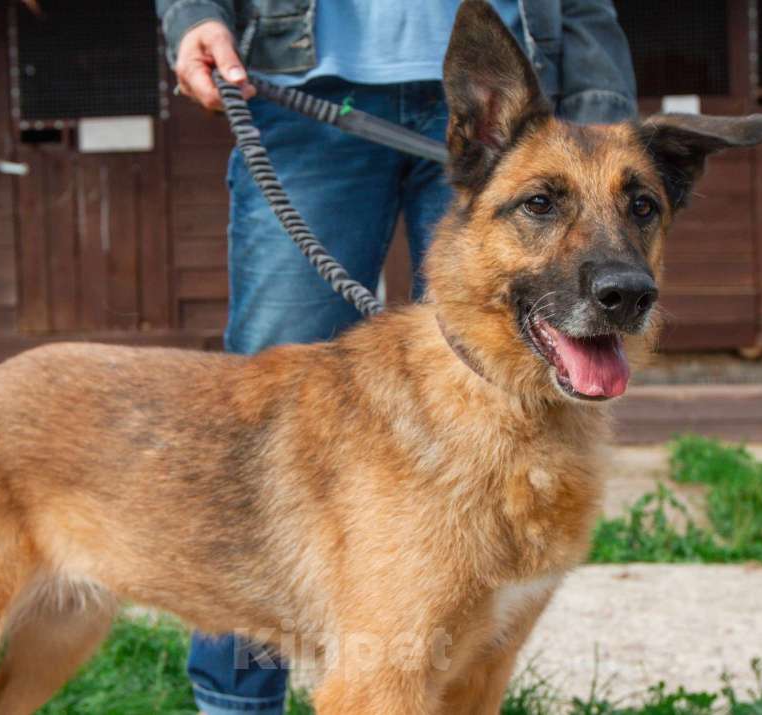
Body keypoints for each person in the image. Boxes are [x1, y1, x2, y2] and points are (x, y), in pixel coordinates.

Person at [155, 1, 636, 713]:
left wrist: (603, 126)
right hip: (314, 84)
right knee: (256, 415)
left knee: (514, 390)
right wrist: (195, 12)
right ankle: (237, 698)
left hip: (510, 92)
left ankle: (442, 676)